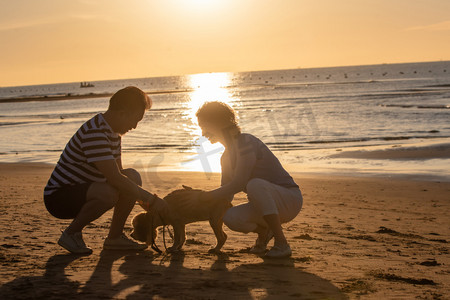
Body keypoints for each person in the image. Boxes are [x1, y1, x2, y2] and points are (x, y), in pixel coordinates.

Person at [43, 86, 168, 255]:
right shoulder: (95, 131)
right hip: (59, 197)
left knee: (132, 176)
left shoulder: (113, 132)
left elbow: (120, 174)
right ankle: (71, 233)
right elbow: (114, 179)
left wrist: (143, 201)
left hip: (86, 188)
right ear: (123, 113)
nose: (135, 126)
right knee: (109, 193)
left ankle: (114, 238)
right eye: (135, 120)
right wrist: (151, 200)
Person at [196, 102, 302, 258]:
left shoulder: (246, 142)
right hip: (265, 204)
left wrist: (207, 196)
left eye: (205, 126)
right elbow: (226, 193)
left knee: (254, 184)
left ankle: (281, 243)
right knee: (230, 217)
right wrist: (198, 201)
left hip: (289, 199)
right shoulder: (225, 157)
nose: (203, 133)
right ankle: (266, 231)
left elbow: (239, 183)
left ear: (218, 123)